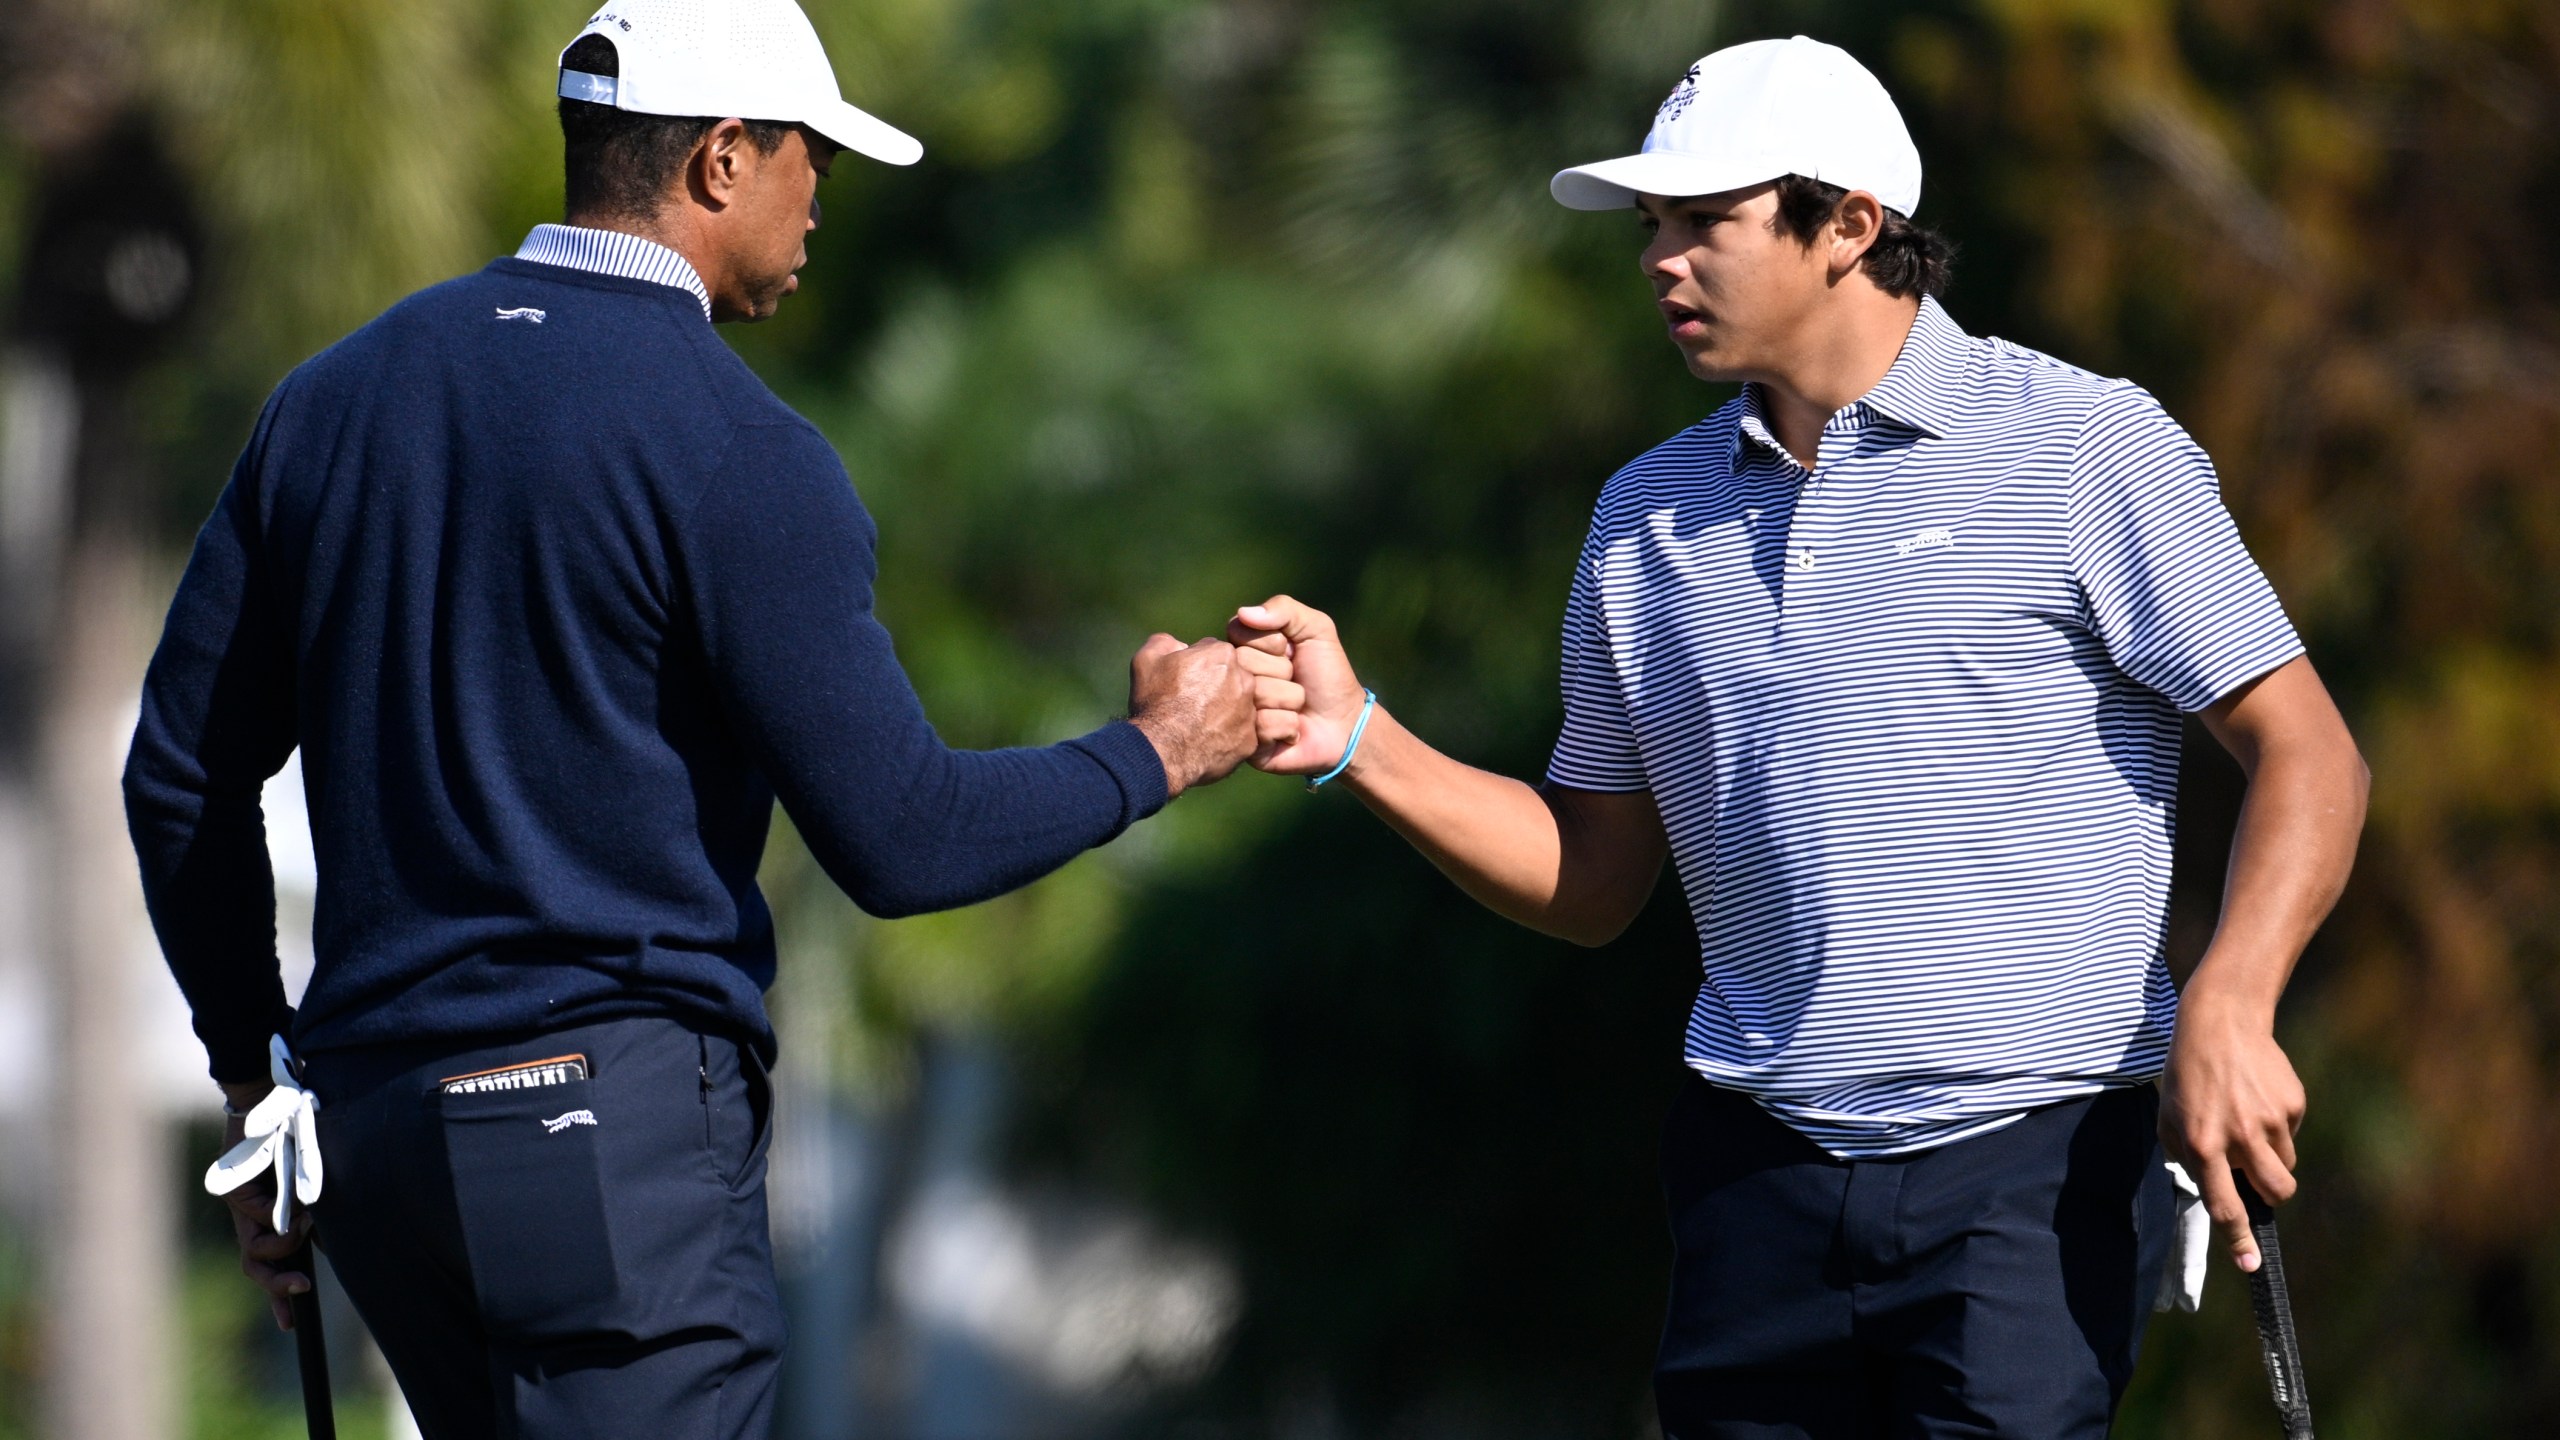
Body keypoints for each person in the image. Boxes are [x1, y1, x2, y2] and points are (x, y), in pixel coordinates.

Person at [121, 2, 1257, 1435]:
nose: (820, 197)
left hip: (375, 1140)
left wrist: (252, 1078)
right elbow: (906, 840)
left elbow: (180, 779)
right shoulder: (736, 447)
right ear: (722, 159)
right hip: (603, 1135)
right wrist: (1161, 751)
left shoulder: (329, 403)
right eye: (809, 158)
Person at [1232, 35, 2368, 1439]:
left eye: (1705, 222)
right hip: (1756, 1177)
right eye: (1653, 227)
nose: (1661, 260)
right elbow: (1595, 880)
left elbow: (2311, 753)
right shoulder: (1643, 521)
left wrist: (2234, 998)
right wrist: (1361, 739)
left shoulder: (2084, 450)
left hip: (2034, 1168)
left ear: (1851, 227)